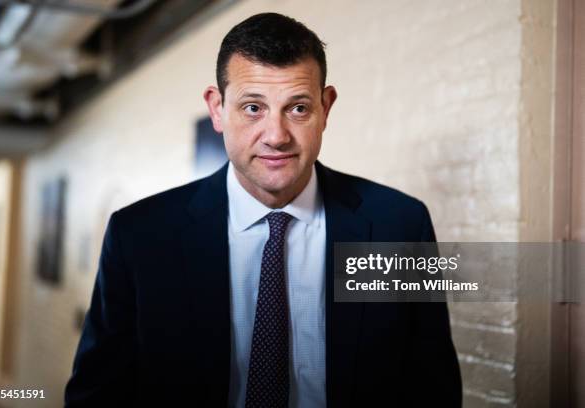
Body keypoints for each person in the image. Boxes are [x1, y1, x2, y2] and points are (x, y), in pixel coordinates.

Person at [64, 12, 462, 407]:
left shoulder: (399, 227)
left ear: (326, 107)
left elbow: (432, 389)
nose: (276, 136)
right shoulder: (140, 236)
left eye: (298, 108)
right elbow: (98, 395)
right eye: (253, 108)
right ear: (217, 109)